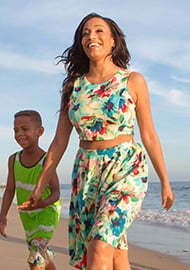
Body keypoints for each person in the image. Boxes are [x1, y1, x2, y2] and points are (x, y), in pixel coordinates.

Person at [23, 13, 175, 270]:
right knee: (115, 254)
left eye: (98, 31)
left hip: (126, 168)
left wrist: (165, 181)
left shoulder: (132, 81)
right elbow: (59, 143)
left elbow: (148, 134)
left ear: (113, 40)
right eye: (85, 33)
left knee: (100, 245)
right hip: (87, 173)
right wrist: (39, 187)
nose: (91, 37)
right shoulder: (73, 86)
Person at [0, 110, 61, 270]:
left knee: (34, 260)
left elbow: (56, 193)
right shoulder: (13, 160)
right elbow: (9, 190)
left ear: (40, 132)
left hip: (47, 212)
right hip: (27, 215)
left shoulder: (46, 160)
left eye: (25, 129)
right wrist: (2, 215)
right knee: (42, 256)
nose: (19, 134)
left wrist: (42, 204)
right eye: (16, 130)